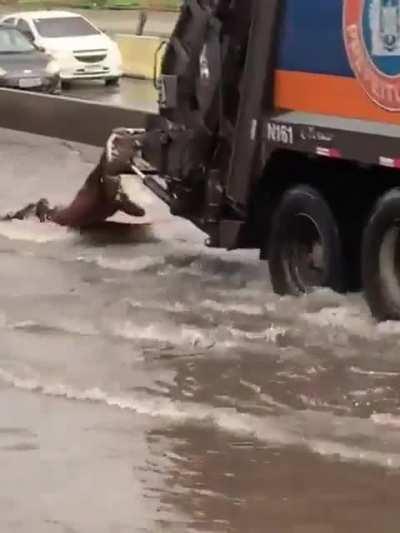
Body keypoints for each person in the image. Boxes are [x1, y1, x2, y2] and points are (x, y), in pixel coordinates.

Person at [1, 128, 147, 228]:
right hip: (67, 214)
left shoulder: (108, 191)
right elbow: (138, 212)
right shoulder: (108, 192)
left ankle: (116, 153)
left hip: (69, 212)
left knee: (93, 190)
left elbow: (138, 212)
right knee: (94, 189)